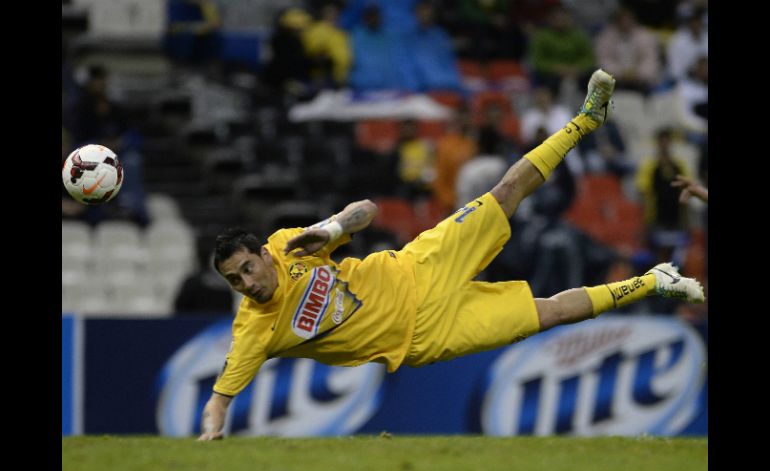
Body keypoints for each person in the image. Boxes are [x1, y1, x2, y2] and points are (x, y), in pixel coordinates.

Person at [197, 70, 705, 440]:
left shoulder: (290, 245)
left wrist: (330, 228)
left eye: (246, 268)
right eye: (235, 281)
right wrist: (211, 432)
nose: (247, 283)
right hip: (426, 336)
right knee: (547, 313)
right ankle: (654, 280)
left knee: (506, 192)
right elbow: (220, 399)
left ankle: (585, 120)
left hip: (420, 264)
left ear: (263, 254)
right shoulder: (254, 330)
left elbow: (367, 210)